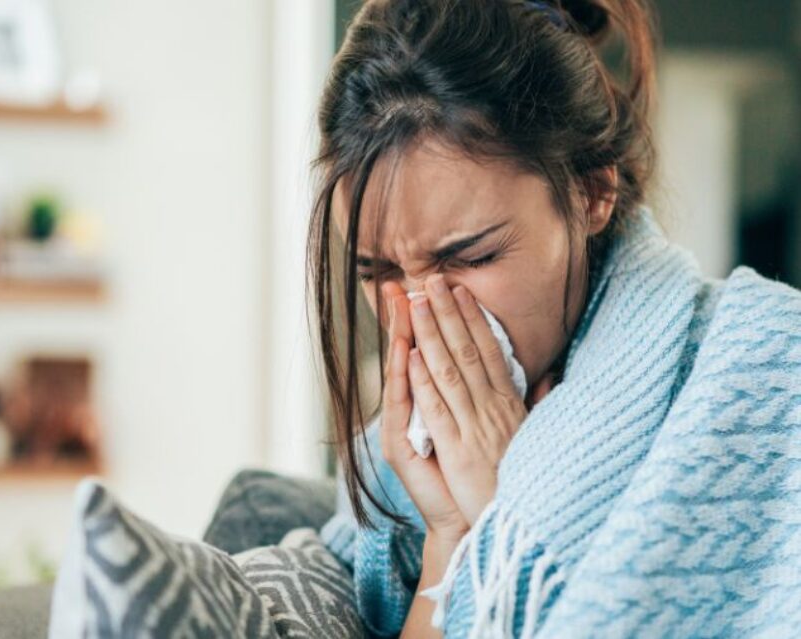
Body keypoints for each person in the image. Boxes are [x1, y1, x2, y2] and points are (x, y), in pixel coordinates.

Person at [307, 1, 801, 637]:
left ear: (593, 192)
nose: (421, 312)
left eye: (471, 256)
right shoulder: (392, 473)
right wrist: (454, 534)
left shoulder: (770, 376)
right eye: (379, 274)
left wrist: (512, 509)